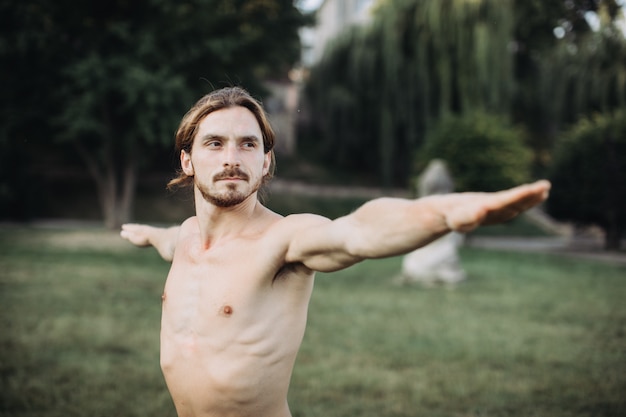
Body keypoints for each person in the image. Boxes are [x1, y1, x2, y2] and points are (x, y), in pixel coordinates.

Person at [120, 86, 551, 417]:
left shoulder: (284, 241)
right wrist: (146, 234)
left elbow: (357, 232)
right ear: (188, 160)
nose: (232, 157)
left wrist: (447, 213)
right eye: (215, 143)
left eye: (248, 144)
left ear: (266, 162)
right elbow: (170, 241)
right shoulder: (187, 237)